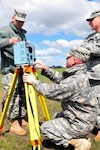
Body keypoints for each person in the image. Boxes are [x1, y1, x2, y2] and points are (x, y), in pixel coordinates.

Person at [23, 56, 97, 150]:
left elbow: (51, 92)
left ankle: (79, 143)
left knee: (45, 128)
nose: (65, 59)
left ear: (74, 60)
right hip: (83, 117)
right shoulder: (79, 74)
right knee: (56, 116)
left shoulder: (74, 80)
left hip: (81, 123)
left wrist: (33, 81)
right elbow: (61, 78)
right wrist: (46, 68)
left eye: (68, 57)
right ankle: (75, 135)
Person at [68, 10, 100, 141]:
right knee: (90, 103)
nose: (89, 23)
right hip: (88, 75)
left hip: (98, 76)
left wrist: (84, 48)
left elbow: (96, 50)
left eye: (91, 19)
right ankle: (93, 125)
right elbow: (81, 52)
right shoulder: (89, 37)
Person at [0, 8, 28, 136]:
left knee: (22, 95)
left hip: (22, 70)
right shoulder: (5, 30)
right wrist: (8, 41)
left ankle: (21, 118)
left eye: (22, 21)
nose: (20, 23)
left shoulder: (22, 34)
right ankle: (14, 123)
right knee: (13, 95)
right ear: (13, 18)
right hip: (9, 70)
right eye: (18, 21)